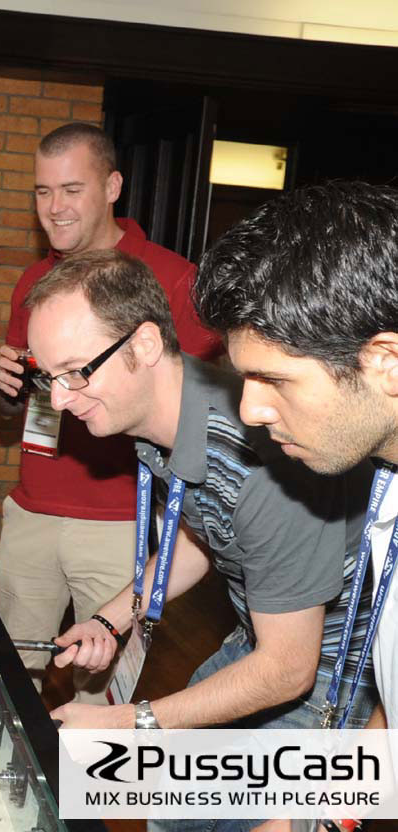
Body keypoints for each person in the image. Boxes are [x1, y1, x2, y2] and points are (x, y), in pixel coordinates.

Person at [23, 251, 376, 752]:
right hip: (263, 637)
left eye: (76, 371)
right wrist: (109, 619)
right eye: (49, 376)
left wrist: (125, 724)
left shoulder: (258, 462)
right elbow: (204, 535)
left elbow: (288, 669)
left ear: (145, 344)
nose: (58, 400)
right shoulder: (168, 411)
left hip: (331, 675)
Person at [0, 122, 222, 701]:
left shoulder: (173, 279)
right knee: (7, 679)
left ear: (113, 187)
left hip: (121, 521)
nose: (54, 207)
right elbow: (15, 406)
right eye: (43, 191)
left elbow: (200, 408)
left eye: (71, 189)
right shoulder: (35, 280)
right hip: (33, 510)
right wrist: (4, 385)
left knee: (103, 694)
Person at [194, 181, 398, 828]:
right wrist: (313, 817)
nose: (250, 409)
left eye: (274, 379)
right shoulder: (384, 477)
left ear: (387, 362)